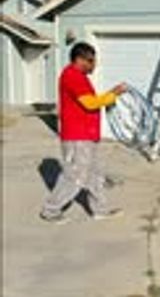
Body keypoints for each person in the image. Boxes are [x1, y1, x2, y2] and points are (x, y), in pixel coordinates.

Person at [40, 42, 127, 224]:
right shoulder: (72, 76)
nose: (94, 64)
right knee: (75, 176)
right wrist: (114, 93)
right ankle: (50, 210)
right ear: (79, 59)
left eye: (94, 60)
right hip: (76, 136)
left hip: (87, 135)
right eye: (90, 61)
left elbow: (92, 101)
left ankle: (100, 210)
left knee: (95, 174)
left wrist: (109, 97)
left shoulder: (80, 76)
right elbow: (90, 104)